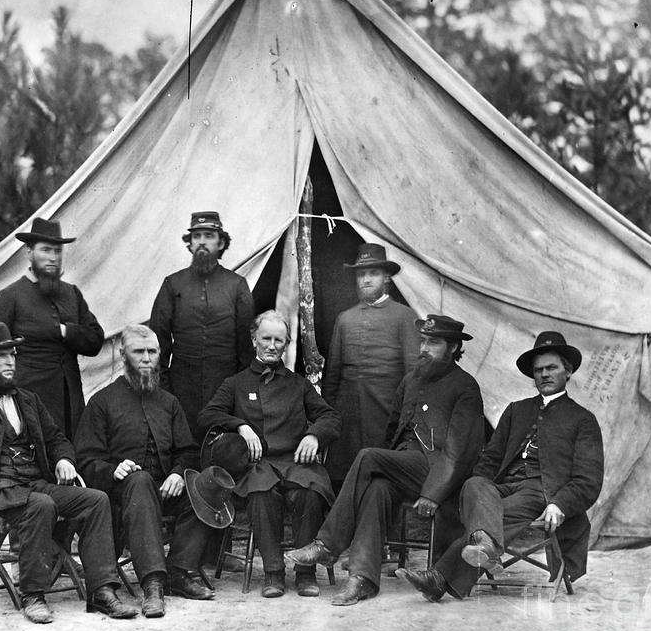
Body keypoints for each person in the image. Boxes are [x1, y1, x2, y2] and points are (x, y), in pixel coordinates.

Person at [0, 323, 137, 624]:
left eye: (13, 355)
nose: (11, 362)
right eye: (1, 356)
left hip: (34, 486)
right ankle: (33, 595)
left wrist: (64, 459)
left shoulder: (28, 400)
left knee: (96, 500)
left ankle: (102, 591)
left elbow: (58, 439)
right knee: (41, 504)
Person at [287, 315, 485, 606]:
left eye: (435, 342)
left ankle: (327, 545)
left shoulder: (465, 386)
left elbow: (460, 451)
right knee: (377, 487)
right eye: (424, 341)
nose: (425, 347)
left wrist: (433, 493)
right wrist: (381, 471)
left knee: (368, 456)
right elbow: (392, 432)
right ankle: (362, 580)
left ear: (454, 347)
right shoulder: (411, 379)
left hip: (436, 473)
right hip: (406, 467)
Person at [400, 331, 604, 602]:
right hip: (501, 487)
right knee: (473, 485)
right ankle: (485, 544)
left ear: (567, 371)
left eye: (551, 368)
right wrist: (471, 494)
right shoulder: (516, 411)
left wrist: (560, 504)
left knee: (494, 513)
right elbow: (490, 460)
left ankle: (440, 577)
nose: (543, 374)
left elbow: (588, 479)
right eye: (538, 370)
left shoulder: (582, 419)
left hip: (540, 492)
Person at [74, 325, 219, 618]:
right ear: (123, 354)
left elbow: (188, 451)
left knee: (207, 485)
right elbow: (86, 460)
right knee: (139, 481)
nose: (146, 359)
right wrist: (113, 470)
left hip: (164, 490)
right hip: (119, 496)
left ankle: (179, 571)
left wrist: (179, 472)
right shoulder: (102, 402)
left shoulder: (169, 403)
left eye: (152, 352)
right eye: (138, 352)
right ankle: (153, 584)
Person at [198, 310, 341, 598]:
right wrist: (240, 426)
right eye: (266, 338)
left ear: (287, 345)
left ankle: (305, 573)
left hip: (295, 462)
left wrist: (314, 434)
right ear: (254, 340)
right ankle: (273, 573)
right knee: (261, 494)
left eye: (279, 340)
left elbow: (330, 416)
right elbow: (207, 415)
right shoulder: (236, 383)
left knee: (309, 493)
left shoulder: (298, 384)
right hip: (258, 464)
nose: (272, 345)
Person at [0, 217, 104, 440]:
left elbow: (95, 340)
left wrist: (65, 331)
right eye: (46, 250)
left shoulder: (72, 294)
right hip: (30, 401)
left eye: (57, 251)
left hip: (71, 402)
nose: (53, 258)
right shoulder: (10, 296)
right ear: (29, 252)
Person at [149, 211, 254, 443]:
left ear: (221, 242)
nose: (202, 242)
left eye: (209, 235)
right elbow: (158, 342)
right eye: (196, 236)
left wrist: (238, 390)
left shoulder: (237, 286)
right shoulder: (172, 284)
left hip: (224, 383)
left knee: (221, 445)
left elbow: (246, 347)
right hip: (181, 384)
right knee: (184, 444)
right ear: (190, 244)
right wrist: (165, 389)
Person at [322, 243, 422, 482]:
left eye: (373, 273)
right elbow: (333, 375)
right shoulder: (345, 319)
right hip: (348, 413)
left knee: (378, 475)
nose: (366, 279)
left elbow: (413, 373)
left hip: (386, 410)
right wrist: (328, 416)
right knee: (343, 474)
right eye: (361, 274)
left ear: (386, 277)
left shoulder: (404, 316)